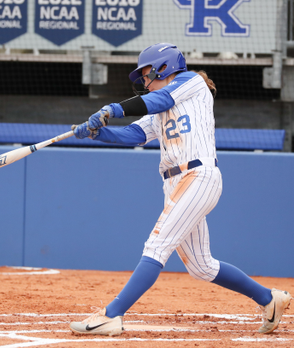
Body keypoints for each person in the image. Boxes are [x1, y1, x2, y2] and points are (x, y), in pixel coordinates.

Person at [69, 43, 291, 336]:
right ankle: (269, 299)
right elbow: (135, 133)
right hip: (175, 183)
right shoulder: (159, 103)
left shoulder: (190, 83)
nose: (144, 81)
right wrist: (98, 132)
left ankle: (111, 315)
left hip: (198, 175)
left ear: (164, 66)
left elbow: (155, 101)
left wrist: (113, 109)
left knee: (156, 246)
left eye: (146, 73)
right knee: (201, 266)